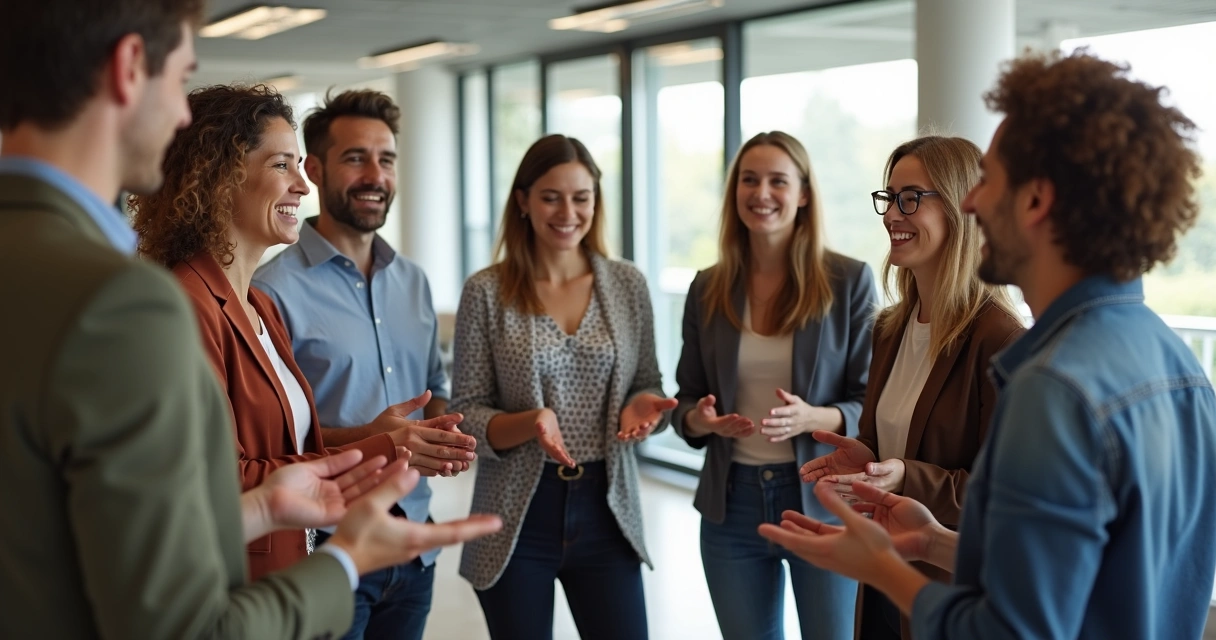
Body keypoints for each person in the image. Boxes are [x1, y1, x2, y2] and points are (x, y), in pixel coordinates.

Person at [0, 2, 501, 638]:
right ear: (130, 67)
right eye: (179, 77)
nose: (179, 115)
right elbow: (178, 602)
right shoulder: (139, 301)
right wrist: (347, 559)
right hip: (256, 586)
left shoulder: (255, 303)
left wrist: (366, 442)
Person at [759, 50, 1216, 640]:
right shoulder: (1180, 366)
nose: (972, 203)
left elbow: (1009, 628)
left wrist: (883, 569)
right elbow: (1092, 581)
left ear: (1036, 200)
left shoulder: (1053, 387)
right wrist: (932, 541)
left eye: (988, 181)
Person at [129, 83, 478, 581]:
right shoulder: (187, 305)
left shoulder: (258, 306)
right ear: (221, 178)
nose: (302, 185)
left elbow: (289, 452)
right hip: (233, 581)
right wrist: (385, 449)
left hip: (291, 561)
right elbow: (222, 482)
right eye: (281, 165)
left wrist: (374, 435)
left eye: (298, 165)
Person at [451, 134, 677, 640]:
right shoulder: (486, 291)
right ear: (523, 201)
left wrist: (643, 407)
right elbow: (466, 415)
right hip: (516, 515)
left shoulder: (628, 285)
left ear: (596, 202)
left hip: (607, 509)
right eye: (551, 197)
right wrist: (531, 422)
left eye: (581, 198)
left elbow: (646, 384)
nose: (568, 213)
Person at [254, 88, 461, 640]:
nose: (375, 175)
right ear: (315, 170)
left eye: (386, 159)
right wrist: (376, 439)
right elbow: (275, 439)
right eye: (355, 158)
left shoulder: (412, 281)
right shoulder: (271, 291)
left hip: (413, 538)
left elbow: (433, 385)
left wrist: (440, 432)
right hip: (329, 542)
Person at [798, 135, 1024, 639]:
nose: (891, 215)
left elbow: (1001, 493)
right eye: (889, 197)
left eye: (910, 198)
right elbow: (893, 443)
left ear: (962, 206)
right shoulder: (889, 328)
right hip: (884, 571)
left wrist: (905, 476)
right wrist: (869, 459)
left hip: (948, 590)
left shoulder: (1000, 340)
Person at [671, 131, 877, 640]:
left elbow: (869, 402)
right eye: (749, 180)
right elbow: (687, 400)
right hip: (730, 504)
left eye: (777, 181)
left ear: (803, 193)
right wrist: (701, 419)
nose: (761, 193)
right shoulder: (707, 286)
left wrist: (813, 418)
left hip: (822, 497)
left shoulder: (848, 280)